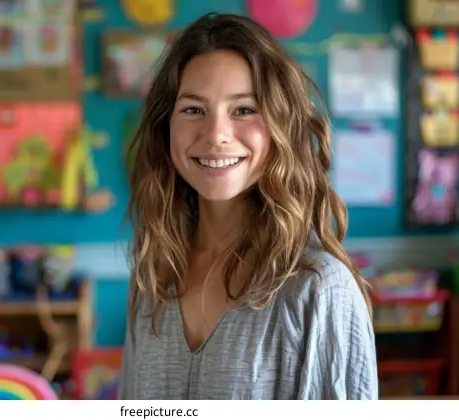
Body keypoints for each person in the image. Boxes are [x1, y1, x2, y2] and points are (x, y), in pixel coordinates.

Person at [119, 13, 378, 400]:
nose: (216, 135)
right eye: (193, 109)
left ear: (281, 126)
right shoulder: (154, 276)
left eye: (243, 109)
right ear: (165, 126)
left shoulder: (319, 289)